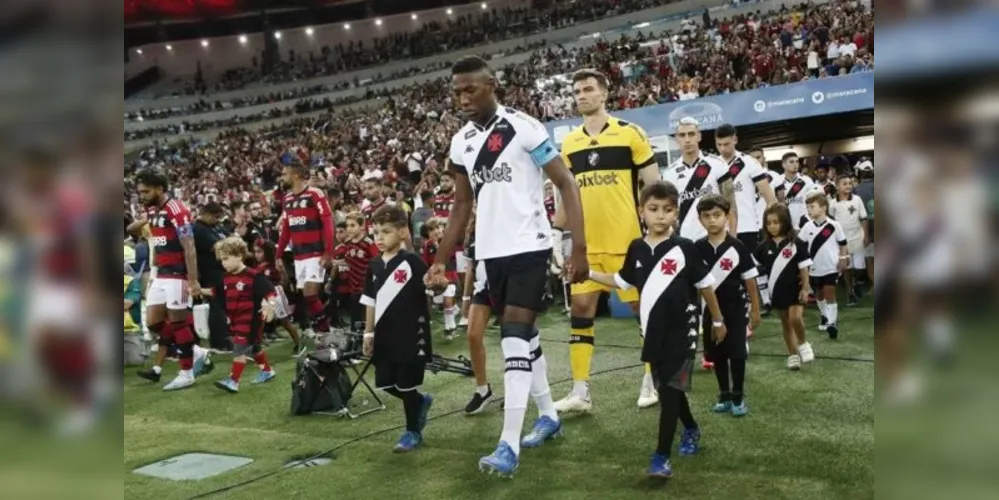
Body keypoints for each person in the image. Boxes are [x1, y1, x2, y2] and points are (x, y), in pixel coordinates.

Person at [428, 55, 588, 477]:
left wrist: (579, 247)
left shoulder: (525, 127)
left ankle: (508, 444)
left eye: (470, 89)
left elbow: (566, 182)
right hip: (489, 254)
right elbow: (462, 205)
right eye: (457, 92)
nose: (462, 98)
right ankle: (548, 415)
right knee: (526, 340)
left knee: (513, 340)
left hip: (529, 248)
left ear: (492, 84)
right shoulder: (460, 141)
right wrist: (441, 261)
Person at [588, 181, 726, 480]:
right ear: (641, 213)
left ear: (676, 213)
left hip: (683, 330)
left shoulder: (685, 248)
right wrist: (586, 272)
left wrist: (717, 320)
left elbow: (706, 286)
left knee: (671, 389)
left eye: (667, 210)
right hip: (653, 331)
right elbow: (621, 281)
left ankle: (661, 457)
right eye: (653, 210)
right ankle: (691, 428)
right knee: (669, 390)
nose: (660, 216)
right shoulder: (636, 248)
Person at [552, 69, 663, 413]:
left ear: (604, 94)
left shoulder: (630, 134)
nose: (581, 96)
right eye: (577, 91)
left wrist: (654, 229)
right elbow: (564, 194)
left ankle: (652, 378)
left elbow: (653, 184)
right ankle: (580, 392)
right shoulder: (570, 142)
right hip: (588, 246)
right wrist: (558, 232)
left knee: (639, 310)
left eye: (588, 90)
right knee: (582, 312)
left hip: (627, 243)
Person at [661, 117, 738, 370]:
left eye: (691, 134)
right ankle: (690, 350)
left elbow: (730, 204)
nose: (687, 140)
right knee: (687, 300)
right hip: (683, 244)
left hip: (715, 241)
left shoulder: (715, 165)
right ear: (676, 139)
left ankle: (719, 346)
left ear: (699, 136)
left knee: (716, 296)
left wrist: (732, 237)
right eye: (681, 135)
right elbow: (668, 211)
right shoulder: (670, 172)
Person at [360, 205, 434, 452]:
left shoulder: (412, 261)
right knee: (386, 383)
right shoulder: (374, 265)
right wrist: (368, 333)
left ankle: (412, 432)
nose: (379, 238)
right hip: (384, 336)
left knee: (406, 384)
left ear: (403, 232)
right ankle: (420, 402)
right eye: (376, 232)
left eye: (386, 232)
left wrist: (441, 288)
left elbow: (431, 287)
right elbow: (369, 301)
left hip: (411, 334)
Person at [132, 169, 210, 390]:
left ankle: (186, 373)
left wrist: (193, 280)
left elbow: (189, 247)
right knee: (154, 322)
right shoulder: (152, 209)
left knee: (177, 322)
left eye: (146, 191)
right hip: (161, 273)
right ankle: (197, 352)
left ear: (160, 188)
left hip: (177, 275)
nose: (142, 196)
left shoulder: (177, 209)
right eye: (140, 192)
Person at [694, 195, 761, 416]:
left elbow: (750, 281)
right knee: (717, 354)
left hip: (735, 309)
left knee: (737, 353)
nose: (712, 220)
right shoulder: (696, 248)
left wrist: (755, 308)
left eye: (717, 215)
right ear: (700, 220)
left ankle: (738, 396)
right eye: (706, 216)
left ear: (727, 217)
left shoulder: (737, 246)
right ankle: (724, 394)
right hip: (710, 311)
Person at [208, 237, 278, 393]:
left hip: (250, 320)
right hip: (235, 319)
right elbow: (215, 292)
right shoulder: (226, 278)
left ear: (239, 256)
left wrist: (269, 306)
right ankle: (267, 371)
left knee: (239, 348)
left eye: (226, 259)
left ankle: (233, 381)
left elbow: (270, 293)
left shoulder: (254, 276)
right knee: (254, 348)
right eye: (221, 260)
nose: (223, 263)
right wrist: (199, 290)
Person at [275, 159, 336, 338]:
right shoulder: (287, 199)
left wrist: (328, 251)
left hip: (315, 253)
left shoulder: (314, 194)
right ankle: (322, 330)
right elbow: (286, 229)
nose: (282, 177)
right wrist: (278, 255)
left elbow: (328, 222)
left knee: (310, 295)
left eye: (285, 173)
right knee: (307, 297)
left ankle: (326, 332)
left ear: (296, 175)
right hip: (299, 256)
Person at [755, 204, 815, 370]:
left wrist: (805, 288)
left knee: (795, 318)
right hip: (777, 292)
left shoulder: (796, 243)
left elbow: (804, 267)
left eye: (776, 222)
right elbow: (756, 270)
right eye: (769, 223)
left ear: (785, 222)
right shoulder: (763, 247)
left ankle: (803, 343)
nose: (772, 226)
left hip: (795, 288)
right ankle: (792, 355)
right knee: (786, 323)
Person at [460, 209, 496, 414]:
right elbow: (470, 269)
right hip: (483, 290)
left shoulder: (508, 227)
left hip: (509, 288)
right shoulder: (474, 236)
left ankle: (523, 386)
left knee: (516, 339)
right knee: (473, 336)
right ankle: (483, 389)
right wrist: (465, 298)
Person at [800, 193, 850, 339]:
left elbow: (843, 243)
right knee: (819, 294)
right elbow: (800, 245)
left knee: (829, 291)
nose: (809, 210)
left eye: (812, 207)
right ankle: (824, 315)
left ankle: (832, 323)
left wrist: (843, 258)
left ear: (823, 208)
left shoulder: (834, 225)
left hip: (831, 267)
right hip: (814, 267)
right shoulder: (807, 227)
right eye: (808, 207)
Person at [254, 240, 305, 356]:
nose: (256, 255)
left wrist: (280, 286)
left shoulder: (273, 266)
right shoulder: (261, 266)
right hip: (265, 296)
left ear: (267, 252)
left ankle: (299, 344)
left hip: (275, 295)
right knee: (259, 321)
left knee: (285, 322)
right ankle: (254, 347)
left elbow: (284, 279)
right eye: (255, 252)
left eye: (259, 252)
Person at [332, 212, 379, 332]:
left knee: (367, 319)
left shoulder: (368, 243)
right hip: (353, 287)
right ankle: (357, 344)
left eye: (353, 225)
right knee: (355, 320)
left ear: (362, 226)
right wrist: (335, 262)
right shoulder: (348, 245)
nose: (349, 229)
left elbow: (377, 262)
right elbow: (349, 261)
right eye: (348, 226)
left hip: (367, 287)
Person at [193, 202, 229, 351]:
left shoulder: (213, 227)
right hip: (209, 272)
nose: (217, 220)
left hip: (219, 270)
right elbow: (219, 246)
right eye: (215, 217)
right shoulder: (199, 229)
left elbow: (227, 239)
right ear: (206, 214)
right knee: (217, 306)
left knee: (221, 305)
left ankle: (223, 338)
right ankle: (218, 342)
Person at [829, 174, 869, 306]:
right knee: (847, 267)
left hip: (857, 238)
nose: (848, 186)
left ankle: (857, 284)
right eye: (844, 184)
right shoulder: (833, 203)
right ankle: (850, 292)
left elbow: (863, 218)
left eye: (849, 183)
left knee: (860, 268)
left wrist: (866, 235)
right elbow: (831, 222)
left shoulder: (857, 199)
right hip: (842, 241)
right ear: (837, 186)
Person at [422, 218, 460, 340]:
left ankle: (450, 327)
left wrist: (438, 245)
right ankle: (453, 309)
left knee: (447, 300)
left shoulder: (448, 242)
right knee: (441, 302)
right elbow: (426, 263)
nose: (436, 231)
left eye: (438, 228)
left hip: (449, 276)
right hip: (436, 279)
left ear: (443, 228)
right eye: (432, 229)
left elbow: (449, 260)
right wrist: (429, 276)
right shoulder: (427, 245)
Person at [773, 152, 819, 230]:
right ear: (783, 165)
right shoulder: (777, 181)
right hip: (784, 226)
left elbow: (815, 201)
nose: (795, 164)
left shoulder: (806, 180)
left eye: (797, 161)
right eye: (791, 162)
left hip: (804, 225)